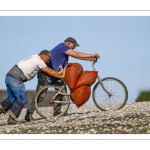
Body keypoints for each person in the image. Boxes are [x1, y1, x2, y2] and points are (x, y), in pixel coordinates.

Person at [25, 37, 100, 121]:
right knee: (40, 96)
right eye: (74, 45)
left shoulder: (64, 49)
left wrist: (88, 58)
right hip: (46, 73)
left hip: (56, 74)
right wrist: (92, 54)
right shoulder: (63, 47)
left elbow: (77, 57)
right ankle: (29, 114)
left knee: (62, 91)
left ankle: (57, 112)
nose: (74, 47)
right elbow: (76, 54)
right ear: (68, 43)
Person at [0, 50, 66, 125]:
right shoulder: (39, 61)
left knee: (12, 98)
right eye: (48, 59)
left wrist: (58, 73)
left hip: (9, 76)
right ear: (43, 55)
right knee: (22, 99)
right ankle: (12, 119)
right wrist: (61, 76)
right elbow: (49, 71)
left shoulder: (33, 57)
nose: (48, 61)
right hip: (16, 78)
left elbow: (50, 71)